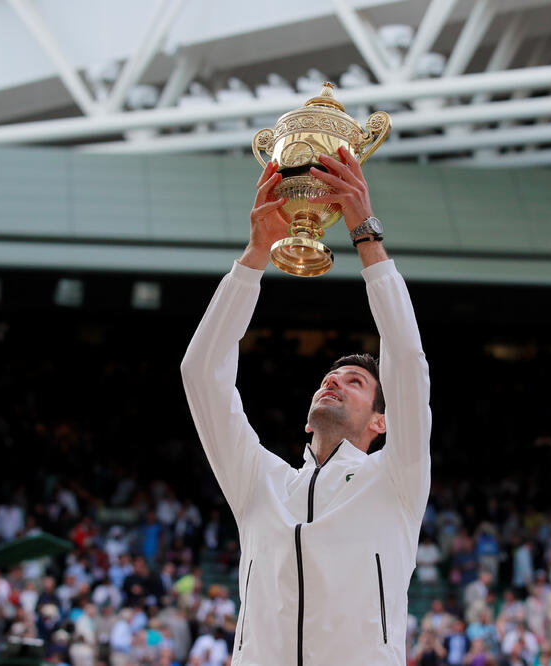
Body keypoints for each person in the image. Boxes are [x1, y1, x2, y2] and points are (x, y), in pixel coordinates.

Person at [181, 146, 432, 665]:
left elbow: (406, 361)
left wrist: (366, 236)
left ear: (382, 421)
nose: (335, 383)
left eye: (357, 381)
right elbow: (201, 373)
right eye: (329, 377)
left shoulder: (397, 480)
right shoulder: (259, 481)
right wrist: (254, 255)